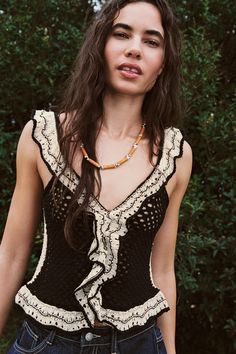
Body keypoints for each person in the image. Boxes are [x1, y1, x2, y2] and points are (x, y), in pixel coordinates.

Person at [0, 0, 192, 353]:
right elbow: (12, 253)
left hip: (140, 344)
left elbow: (162, 269)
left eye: (151, 41)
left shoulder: (176, 156)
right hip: (46, 343)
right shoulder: (42, 137)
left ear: (162, 64)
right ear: (101, 45)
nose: (135, 49)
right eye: (122, 34)